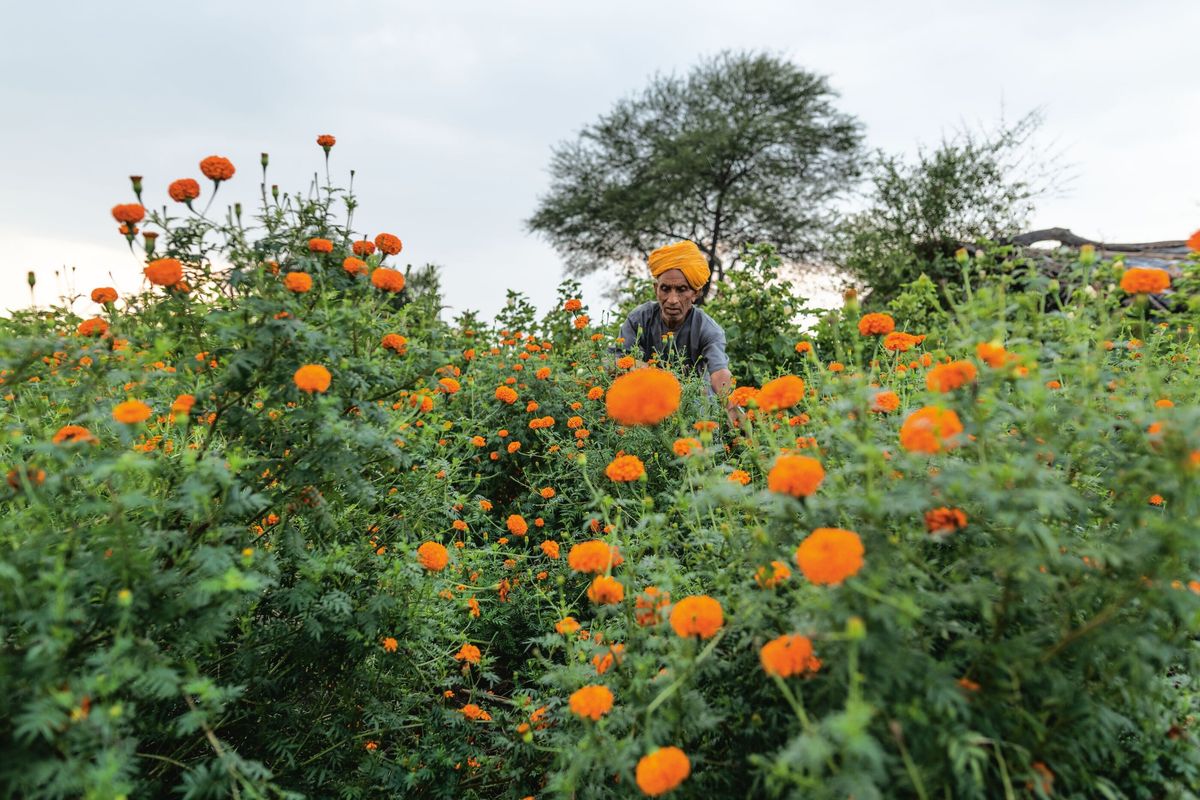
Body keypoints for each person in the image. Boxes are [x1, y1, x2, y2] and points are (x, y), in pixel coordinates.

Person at [615, 240, 734, 402]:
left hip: (693, 405)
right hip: (647, 402)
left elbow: (719, 372)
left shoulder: (708, 329)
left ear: (695, 293)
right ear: (656, 289)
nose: (672, 300)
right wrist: (655, 375)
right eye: (665, 289)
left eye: (681, 290)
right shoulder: (639, 318)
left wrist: (729, 402)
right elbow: (614, 359)